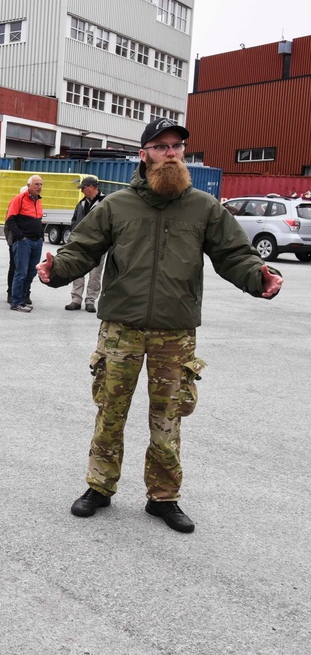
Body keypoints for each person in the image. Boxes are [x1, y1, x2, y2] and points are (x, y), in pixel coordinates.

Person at [36, 118, 283, 533]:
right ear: (143, 153)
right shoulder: (117, 206)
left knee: (168, 419)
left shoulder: (204, 207)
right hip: (121, 329)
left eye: (177, 146)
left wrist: (258, 276)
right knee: (110, 414)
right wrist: (56, 269)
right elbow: (82, 249)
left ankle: (163, 497)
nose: (171, 152)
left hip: (175, 333)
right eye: (161, 145)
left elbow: (234, 254)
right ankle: (99, 488)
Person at [64, 177, 106, 312]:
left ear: (92, 187)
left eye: (83, 187)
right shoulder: (81, 203)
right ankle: (76, 300)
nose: (81, 190)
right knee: (77, 271)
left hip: (98, 245)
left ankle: (90, 301)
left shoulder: (106, 202)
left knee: (95, 274)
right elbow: (74, 221)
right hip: (80, 245)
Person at [4, 175, 44, 312]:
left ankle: (23, 298)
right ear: (29, 186)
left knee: (32, 272)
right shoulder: (19, 199)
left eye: (41, 184)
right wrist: (20, 237)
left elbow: (38, 220)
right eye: (36, 184)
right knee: (20, 272)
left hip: (36, 241)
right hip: (23, 242)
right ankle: (16, 302)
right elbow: (10, 220)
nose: (39, 187)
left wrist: (40, 237)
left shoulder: (38, 201)